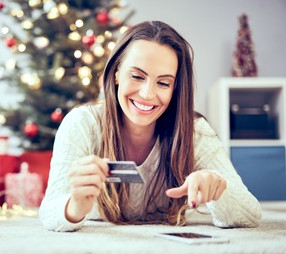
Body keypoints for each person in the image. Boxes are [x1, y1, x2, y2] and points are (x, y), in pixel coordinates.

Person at [39, 20, 262, 232]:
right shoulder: (82, 124)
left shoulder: (195, 131)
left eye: (163, 83)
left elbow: (251, 216)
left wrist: (217, 188)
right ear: (116, 74)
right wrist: (74, 207)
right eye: (137, 76)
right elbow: (49, 213)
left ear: (175, 89)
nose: (147, 94)